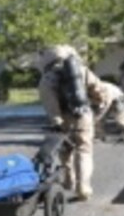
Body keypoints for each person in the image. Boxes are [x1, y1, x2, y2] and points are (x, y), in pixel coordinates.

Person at [38, 44, 102, 200]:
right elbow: (97, 88)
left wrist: (56, 120)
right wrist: (98, 102)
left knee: (65, 151)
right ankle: (83, 187)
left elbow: (49, 102)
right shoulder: (81, 70)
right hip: (83, 116)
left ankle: (69, 180)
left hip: (63, 118)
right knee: (84, 150)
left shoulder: (47, 77)